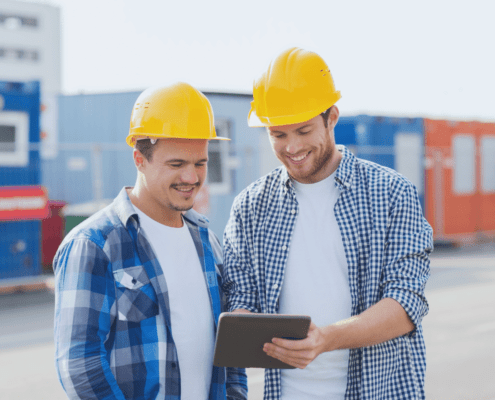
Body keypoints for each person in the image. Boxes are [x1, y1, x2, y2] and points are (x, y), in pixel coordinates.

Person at [223, 48, 433, 400]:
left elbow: (406, 302)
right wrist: (243, 325)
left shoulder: (391, 193)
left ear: (331, 117)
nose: (291, 147)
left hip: (378, 391)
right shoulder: (251, 206)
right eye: (278, 135)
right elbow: (240, 298)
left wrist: (326, 340)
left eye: (303, 131)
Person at [53, 82, 247, 400]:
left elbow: (228, 349)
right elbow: (79, 364)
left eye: (200, 163)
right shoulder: (95, 245)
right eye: (176, 164)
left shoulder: (208, 243)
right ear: (139, 160)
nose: (191, 177)